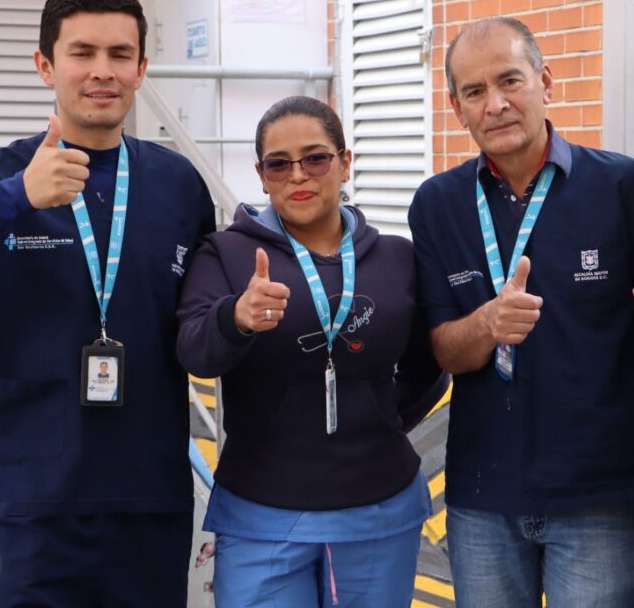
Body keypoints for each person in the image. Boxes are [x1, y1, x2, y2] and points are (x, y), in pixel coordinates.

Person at [0, 0, 216, 606]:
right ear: (46, 65)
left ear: (141, 69)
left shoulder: (178, 183)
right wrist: (18, 196)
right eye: (82, 53)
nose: (102, 71)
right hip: (24, 499)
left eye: (120, 54)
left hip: (145, 495)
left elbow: (203, 318)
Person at [407, 16, 634, 606]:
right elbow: (443, 349)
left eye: (510, 81)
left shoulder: (626, 189)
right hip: (482, 494)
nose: (495, 104)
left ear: (545, 82)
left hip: (597, 494)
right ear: (456, 107)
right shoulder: (438, 205)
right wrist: (486, 324)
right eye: (474, 91)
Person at [176, 96, 448, 607]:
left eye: (316, 158)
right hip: (262, 514)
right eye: (279, 164)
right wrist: (236, 318)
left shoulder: (396, 258)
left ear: (344, 162)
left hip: (378, 510)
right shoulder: (227, 254)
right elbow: (195, 351)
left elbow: (427, 367)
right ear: (261, 176)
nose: (298, 175)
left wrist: (377, 418)